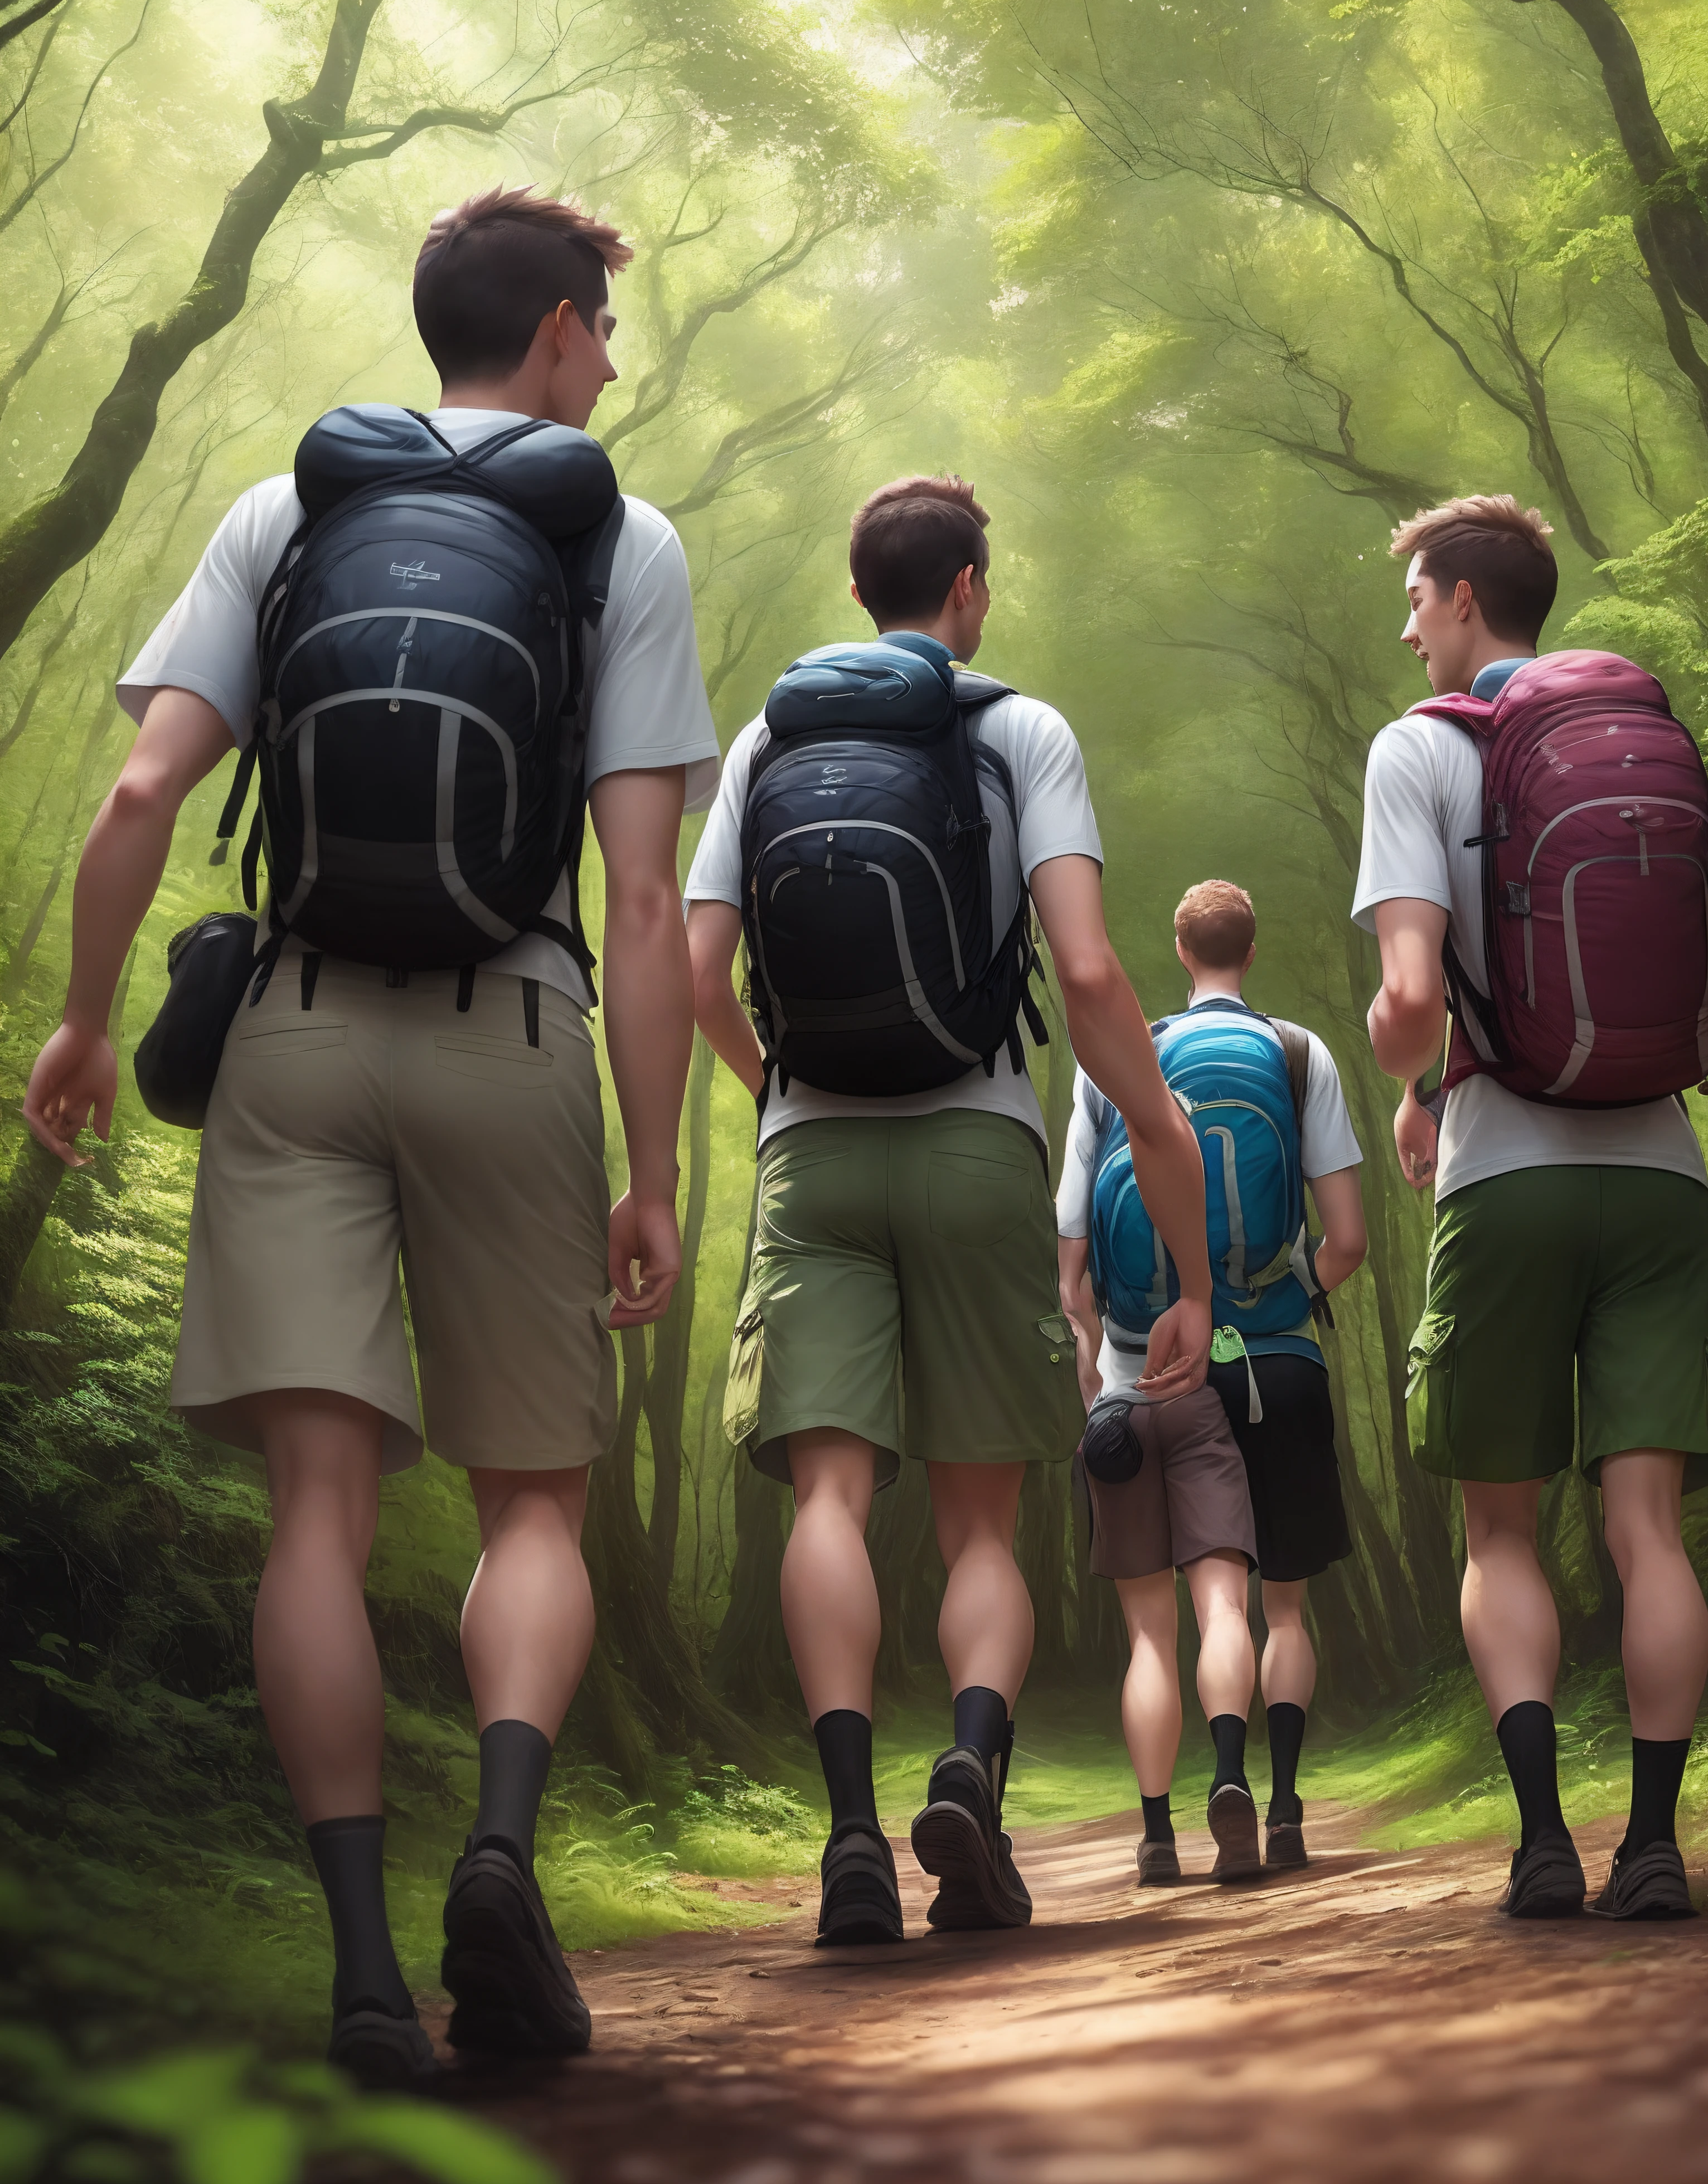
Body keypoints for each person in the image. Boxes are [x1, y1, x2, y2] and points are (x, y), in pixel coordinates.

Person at [21, 187, 718, 2081]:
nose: (610, 363)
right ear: (564, 328)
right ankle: (497, 1853)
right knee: (534, 1501)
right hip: (516, 1028)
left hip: (297, 1033)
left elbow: (145, 785)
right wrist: (651, 1167)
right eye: (607, 333)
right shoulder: (617, 542)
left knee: (316, 1513)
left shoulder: (290, 509)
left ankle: (354, 1973)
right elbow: (646, 904)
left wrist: (85, 1021)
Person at [686, 474, 1211, 1946]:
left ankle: (852, 1836)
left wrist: (775, 1085)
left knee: (833, 1494)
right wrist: (1172, 1205)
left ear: (862, 596)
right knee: (985, 1518)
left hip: (815, 1156)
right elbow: (1094, 974)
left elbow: (693, 964)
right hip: (980, 1138)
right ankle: (970, 1771)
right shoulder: (1016, 727)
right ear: (971, 590)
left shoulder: (767, 740)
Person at [1353, 495, 1708, 1924]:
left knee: (1500, 1532)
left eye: (1413, 599)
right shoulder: (1643, 735)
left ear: (1459, 601)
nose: (1405, 626)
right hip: (1658, 1171)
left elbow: (1403, 1000)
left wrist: (1416, 1070)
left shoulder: (1424, 748)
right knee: (1648, 1527)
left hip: (1505, 1171)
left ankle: (1540, 1846)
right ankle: (1655, 1844)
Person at [1057, 879, 1368, 1883]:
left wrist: (1104, 1362)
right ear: (1251, 945)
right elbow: (1349, 1241)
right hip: (1276, 1362)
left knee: (1157, 1627)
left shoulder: (1116, 1061)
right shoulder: (1297, 1053)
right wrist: (1276, 1297)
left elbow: (1071, 1247)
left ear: (1181, 951)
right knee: (1278, 1610)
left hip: (1149, 1372)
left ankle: (1156, 1839)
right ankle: (1276, 1806)